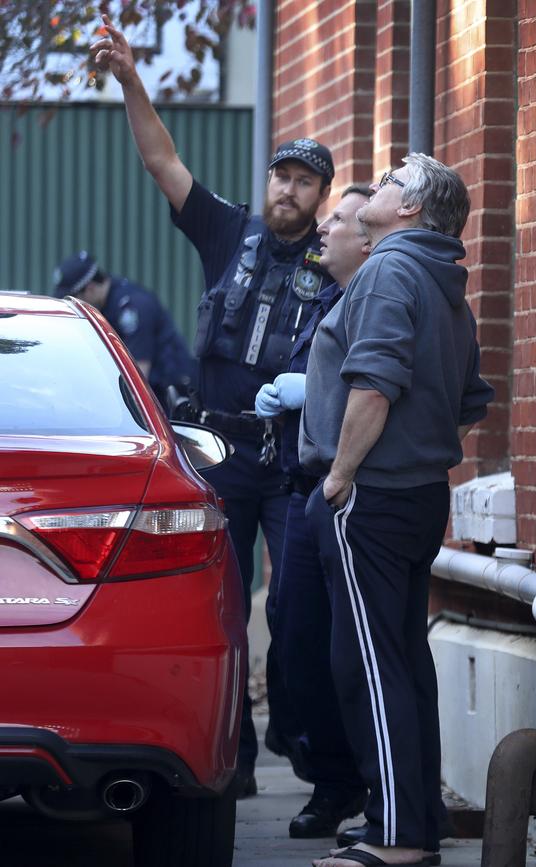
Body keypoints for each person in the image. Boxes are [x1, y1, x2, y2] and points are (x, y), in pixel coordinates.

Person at [91, 16, 334, 798]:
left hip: (292, 462)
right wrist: (132, 80)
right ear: (267, 183)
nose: (286, 190)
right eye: (280, 176)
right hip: (222, 456)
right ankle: (231, 757)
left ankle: (305, 750)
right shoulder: (230, 231)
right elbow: (162, 160)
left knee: (296, 615)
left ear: (321, 196)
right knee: (219, 609)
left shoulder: (338, 263)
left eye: (302, 181)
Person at [300, 154, 495, 867]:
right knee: (403, 661)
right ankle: (412, 821)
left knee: (371, 666)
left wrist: (341, 476)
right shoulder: (447, 282)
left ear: (410, 208)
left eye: (386, 181)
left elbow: (375, 383)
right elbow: (468, 399)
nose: (372, 189)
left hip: (369, 494)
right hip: (417, 496)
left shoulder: (389, 268)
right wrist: (418, 450)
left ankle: (396, 838)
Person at [255, 185, 372, 839]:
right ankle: (330, 779)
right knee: (298, 641)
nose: (321, 229)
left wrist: (339, 475)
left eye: (336, 218)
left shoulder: (377, 295)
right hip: (309, 490)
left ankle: (363, 786)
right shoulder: (326, 297)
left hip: (345, 490)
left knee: (354, 649)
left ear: (368, 236)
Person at [53, 251, 197, 405]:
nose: (75, 306)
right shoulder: (106, 304)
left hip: (170, 400)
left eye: (75, 298)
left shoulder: (133, 307)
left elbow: (138, 377)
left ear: (90, 288)